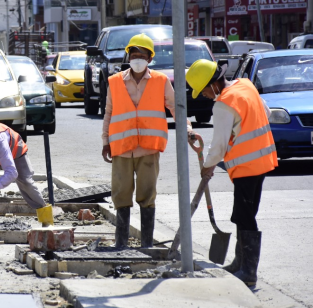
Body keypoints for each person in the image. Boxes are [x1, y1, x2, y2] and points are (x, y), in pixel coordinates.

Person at [186, 59, 277, 287]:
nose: (204, 95)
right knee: (245, 214)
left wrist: (208, 165)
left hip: (246, 166)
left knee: (245, 217)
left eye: (204, 90)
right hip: (263, 161)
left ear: (213, 84)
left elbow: (219, 144)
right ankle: (239, 263)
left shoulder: (223, 104)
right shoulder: (246, 86)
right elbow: (264, 112)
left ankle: (248, 273)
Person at [101, 33, 193, 249]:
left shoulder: (161, 81)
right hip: (121, 148)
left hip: (148, 149)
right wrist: (106, 141)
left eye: (142, 55)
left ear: (150, 59)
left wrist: (187, 128)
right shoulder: (114, 82)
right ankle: (121, 244)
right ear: (128, 57)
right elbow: (109, 112)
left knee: (147, 195)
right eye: (134, 55)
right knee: (121, 196)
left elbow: (175, 106)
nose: (138, 59)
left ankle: (147, 245)